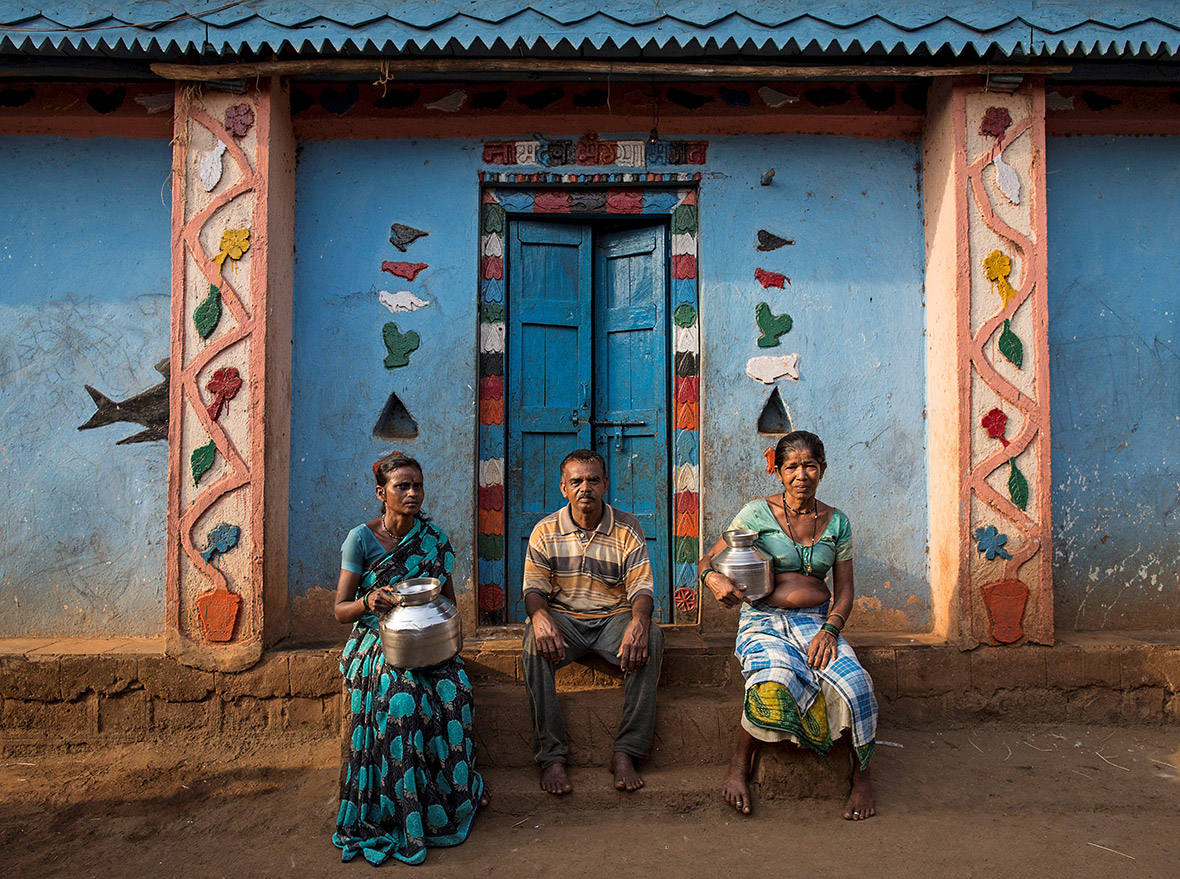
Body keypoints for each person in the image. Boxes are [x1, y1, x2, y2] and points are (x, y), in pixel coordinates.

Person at [698, 431, 878, 820]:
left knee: (856, 683)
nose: (801, 475)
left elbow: (844, 592)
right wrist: (714, 580)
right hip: (763, 620)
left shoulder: (838, 522)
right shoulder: (755, 514)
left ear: (823, 469)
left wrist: (830, 630)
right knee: (774, 675)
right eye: (792, 466)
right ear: (777, 471)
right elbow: (706, 561)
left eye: (810, 465)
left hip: (817, 623)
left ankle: (862, 778)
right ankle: (738, 767)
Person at [332, 452, 485, 866]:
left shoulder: (433, 539)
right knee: (401, 698)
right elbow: (341, 609)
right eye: (402, 486)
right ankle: (399, 812)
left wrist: (448, 643)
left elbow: (449, 604)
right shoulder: (360, 540)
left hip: (427, 637)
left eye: (417, 485)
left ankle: (450, 798)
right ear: (382, 493)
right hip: (373, 639)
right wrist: (368, 600)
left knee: (454, 691)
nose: (412, 493)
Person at [521, 448, 664, 795]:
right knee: (531, 645)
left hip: (613, 618)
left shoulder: (628, 527)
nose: (585, 487)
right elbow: (533, 590)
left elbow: (641, 588)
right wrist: (540, 616)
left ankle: (626, 751)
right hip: (564, 620)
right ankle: (552, 756)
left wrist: (640, 622)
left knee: (653, 638)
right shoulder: (545, 531)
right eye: (576, 481)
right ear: (563, 488)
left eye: (592, 479)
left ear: (605, 484)